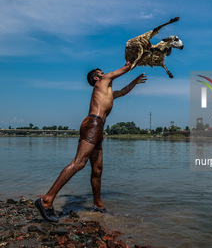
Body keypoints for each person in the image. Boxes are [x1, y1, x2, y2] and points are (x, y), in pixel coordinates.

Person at [35, 61, 146, 223]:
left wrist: (135, 83)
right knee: (79, 163)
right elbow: (125, 68)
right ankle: (46, 200)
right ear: (96, 77)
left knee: (97, 169)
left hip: (99, 127)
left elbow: (122, 92)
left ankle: (97, 204)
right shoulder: (102, 82)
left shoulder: (106, 91)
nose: (105, 73)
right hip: (93, 124)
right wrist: (136, 58)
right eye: (101, 72)